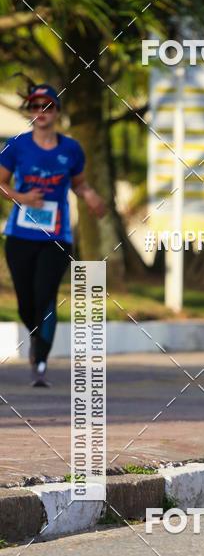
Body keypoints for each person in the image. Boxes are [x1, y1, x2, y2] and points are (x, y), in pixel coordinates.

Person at [0, 82, 107, 386]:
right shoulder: (16, 145)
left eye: (47, 106)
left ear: (57, 111)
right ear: (30, 112)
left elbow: (79, 183)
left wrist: (90, 196)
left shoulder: (71, 148)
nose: (41, 112)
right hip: (20, 235)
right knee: (25, 302)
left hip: (56, 237)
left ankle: (41, 361)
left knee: (45, 294)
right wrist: (21, 197)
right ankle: (36, 341)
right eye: (35, 106)